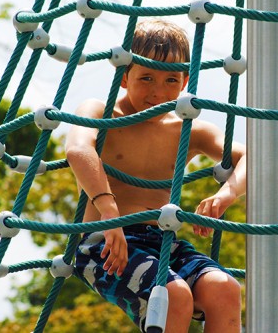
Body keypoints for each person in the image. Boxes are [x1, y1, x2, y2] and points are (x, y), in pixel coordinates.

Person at [65, 19, 246, 333]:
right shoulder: (101, 112)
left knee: (224, 289)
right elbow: (79, 150)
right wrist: (110, 214)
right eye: (146, 77)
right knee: (173, 295)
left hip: (163, 240)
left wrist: (225, 194)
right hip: (102, 242)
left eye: (170, 81)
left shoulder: (187, 129)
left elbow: (248, 157)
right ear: (124, 76)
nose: (157, 92)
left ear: (185, 81)